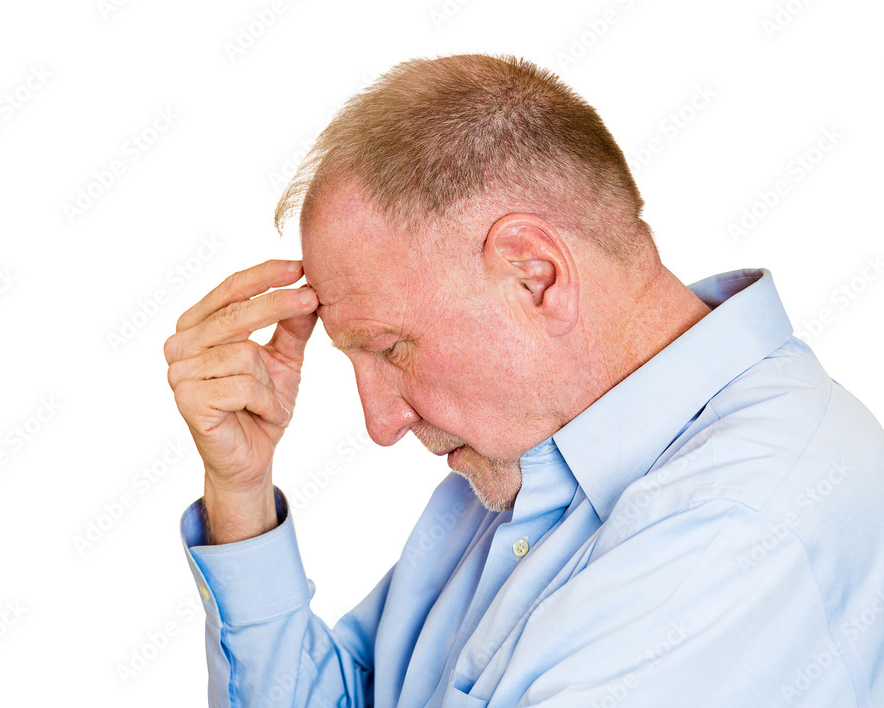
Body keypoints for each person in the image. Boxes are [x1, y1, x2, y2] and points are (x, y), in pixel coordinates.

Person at [164, 54, 884, 706]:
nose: (381, 423)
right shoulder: (526, 462)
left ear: (535, 275)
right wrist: (242, 493)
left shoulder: (740, 521)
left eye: (391, 348)